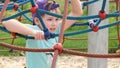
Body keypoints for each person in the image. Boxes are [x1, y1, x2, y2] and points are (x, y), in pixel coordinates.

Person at [1, 0, 83, 68]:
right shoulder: (35, 30)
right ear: (37, 21)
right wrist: (33, 32)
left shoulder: (57, 30)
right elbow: (7, 23)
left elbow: (77, 13)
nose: (54, 23)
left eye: (56, 19)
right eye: (50, 19)